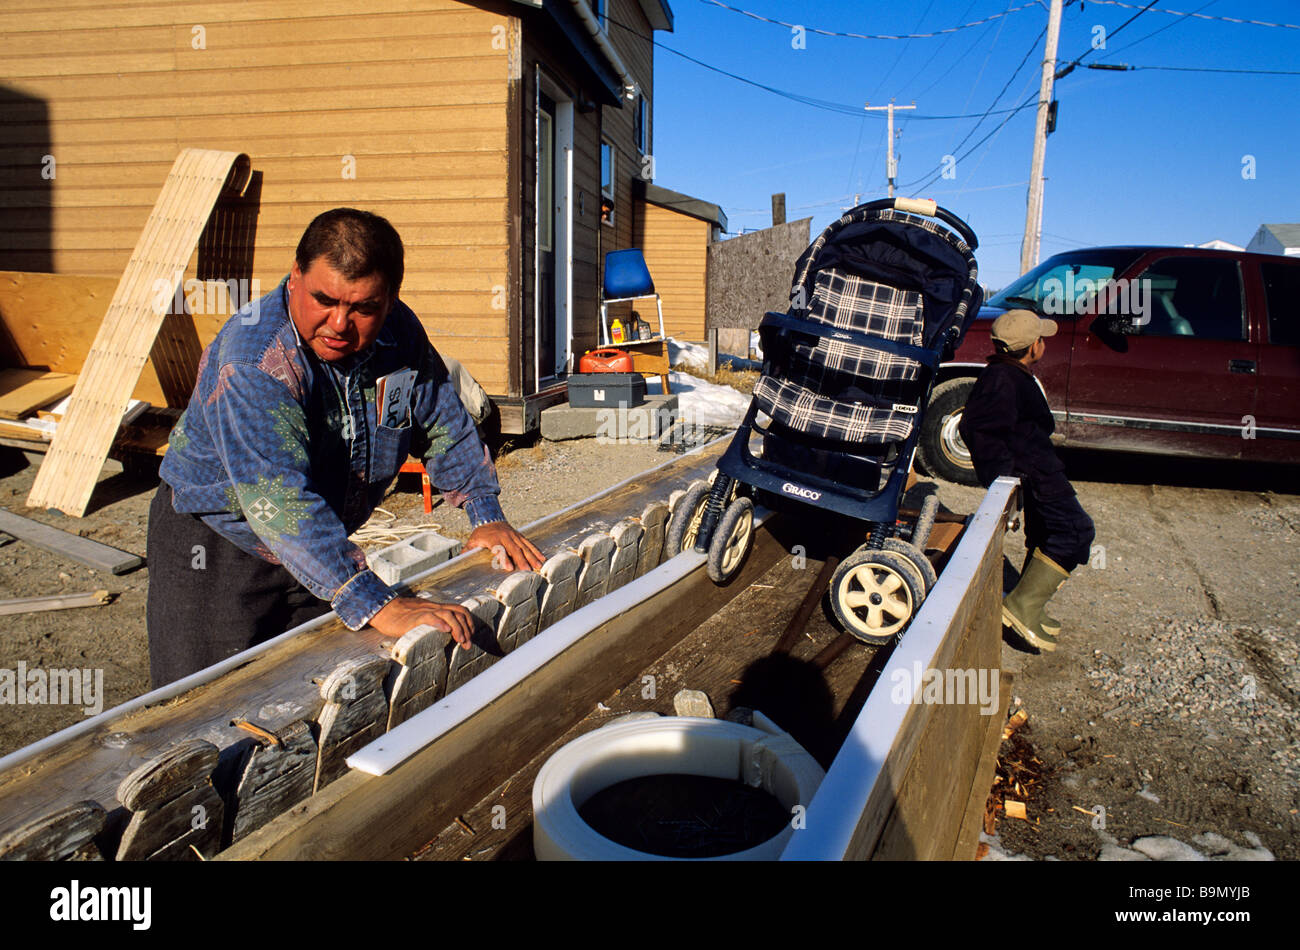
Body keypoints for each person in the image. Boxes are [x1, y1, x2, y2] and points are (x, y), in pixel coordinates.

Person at [146, 208, 544, 687]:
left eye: (363, 308)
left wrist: (486, 515)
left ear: (390, 300)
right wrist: (377, 601)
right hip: (218, 548)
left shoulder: (399, 332)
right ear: (296, 277)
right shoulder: (254, 360)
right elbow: (280, 502)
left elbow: (440, 415)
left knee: (318, 687)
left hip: (322, 540)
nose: (339, 323)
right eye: (324, 299)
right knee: (207, 705)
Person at [958, 309, 1095, 653]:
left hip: (1039, 468)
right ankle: (1021, 607)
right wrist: (1007, 480)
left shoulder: (1010, 373)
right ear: (1033, 346)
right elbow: (980, 429)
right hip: (1034, 472)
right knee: (1074, 531)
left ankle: (1028, 602)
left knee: (1049, 532)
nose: (1043, 344)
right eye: (1042, 339)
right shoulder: (1003, 379)